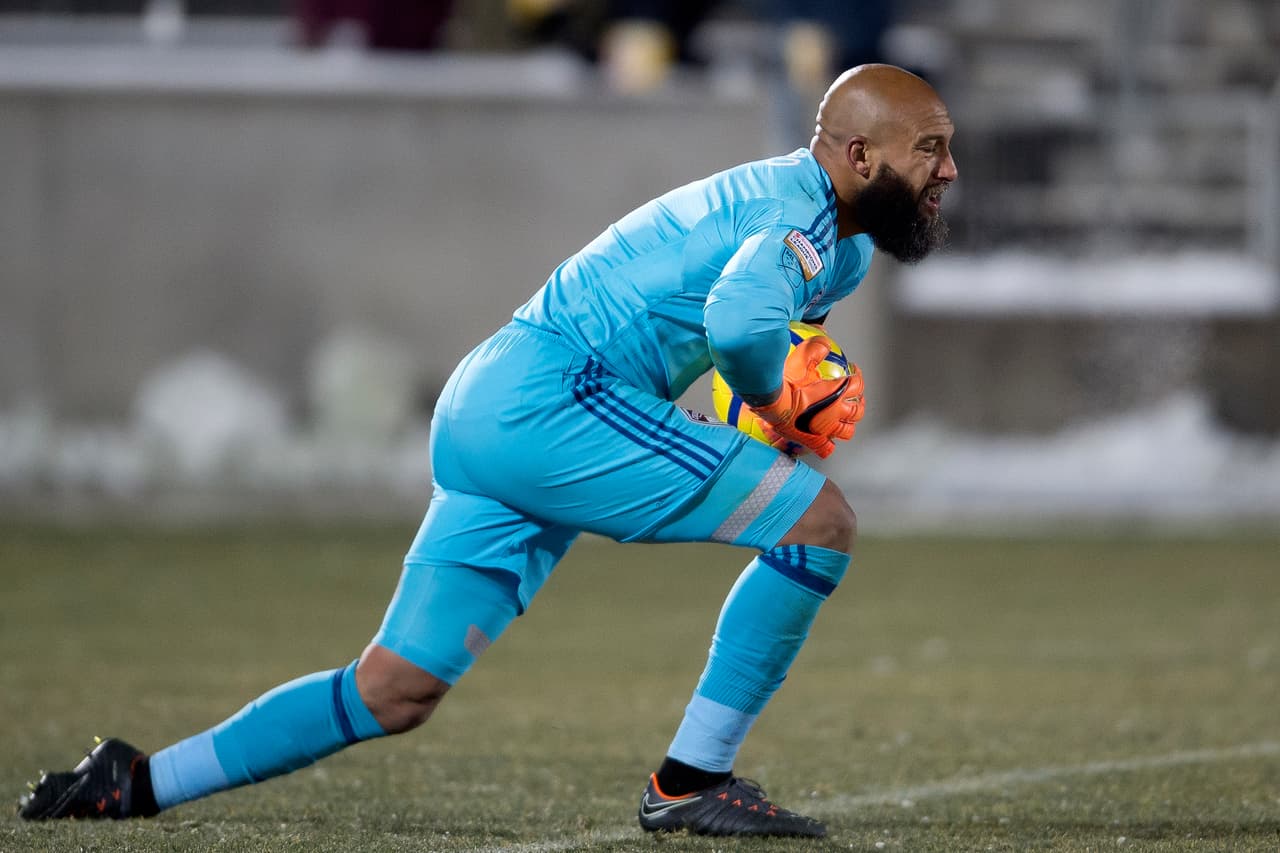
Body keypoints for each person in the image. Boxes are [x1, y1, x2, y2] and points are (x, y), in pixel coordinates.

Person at [18, 63, 956, 838]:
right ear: (860, 153)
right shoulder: (796, 218)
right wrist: (768, 404)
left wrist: (769, 424)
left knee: (395, 687)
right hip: (554, 400)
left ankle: (133, 782)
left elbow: (747, 355)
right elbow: (743, 327)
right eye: (932, 150)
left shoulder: (841, 243)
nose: (948, 171)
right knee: (820, 526)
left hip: (497, 402)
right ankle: (690, 780)